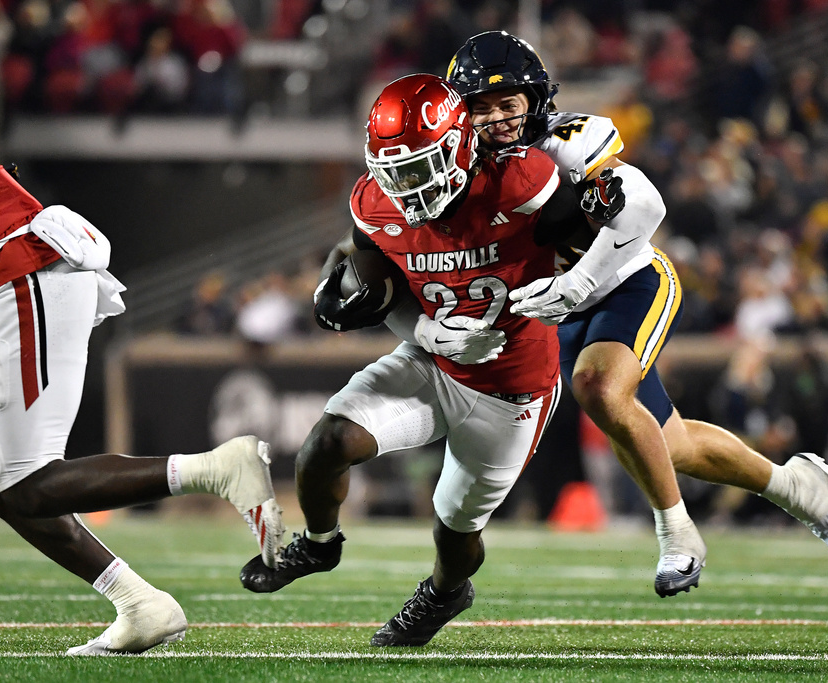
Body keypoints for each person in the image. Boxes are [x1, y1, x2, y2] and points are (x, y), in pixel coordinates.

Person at [445, 31, 828, 578]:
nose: (496, 119)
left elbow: (644, 205)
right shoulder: (457, 167)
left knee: (599, 387)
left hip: (627, 281)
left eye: (508, 104)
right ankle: (795, 486)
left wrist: (579, 281)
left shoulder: (566, 141)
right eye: (482, 107)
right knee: (670, 443)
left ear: (535, 99)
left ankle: (678, 535)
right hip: (560, 310)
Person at [238, 73, 621, 646]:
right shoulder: (376, 200)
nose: (407, 186)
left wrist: (586, 254)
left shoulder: (521, 181)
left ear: (461, 145)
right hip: (431, 362)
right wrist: (429, 333)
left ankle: (445, 593)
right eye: (395, 170)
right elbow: (370, 277)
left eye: (420, 167)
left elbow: (595, 243)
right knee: (327, 443)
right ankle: (319, 545)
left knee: (455, 530)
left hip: (511, 387)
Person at [0, 109, 285, 655]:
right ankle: (140, 603)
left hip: (26, 268)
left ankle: (218, 468)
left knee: (27, 480)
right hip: (15, 273)